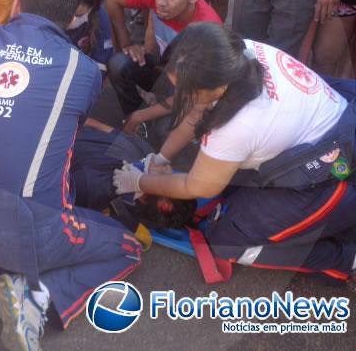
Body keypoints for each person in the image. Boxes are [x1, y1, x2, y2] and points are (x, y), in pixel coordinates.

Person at [0, 0, 142, 351]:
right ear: (70, 19)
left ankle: (11, 263)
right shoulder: (82, 71)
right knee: (127, 247)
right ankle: (37, 296)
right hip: (24, 233)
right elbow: (61, 139)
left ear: (15, 5)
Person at [113, 22, 356, 286]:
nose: (181, 96)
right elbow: (197, 111)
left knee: (227, 243)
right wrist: (161, 158)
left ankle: (346, 259)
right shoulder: (239, 55)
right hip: (332, 131)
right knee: (234, 195)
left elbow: (196, 185)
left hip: (334, 178)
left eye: (187, 89)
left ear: (218, 87)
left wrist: (139, 182)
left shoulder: (237, 126)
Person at [106, 0, 221, 130]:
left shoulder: (208, 30)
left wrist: (141, 115)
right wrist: (127, 44)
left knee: (164, 131)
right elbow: (112, 0)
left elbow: (192, 95)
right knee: (118, 64)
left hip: (188, 89)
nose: (161, 1)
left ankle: (140, 121)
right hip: (163, 71)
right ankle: (137, 128)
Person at [68, 0, 114, 75]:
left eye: (80, 15)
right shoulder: (48, 19)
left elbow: (103, 57)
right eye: (70, 13)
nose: (74, 19)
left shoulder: (100, 17)